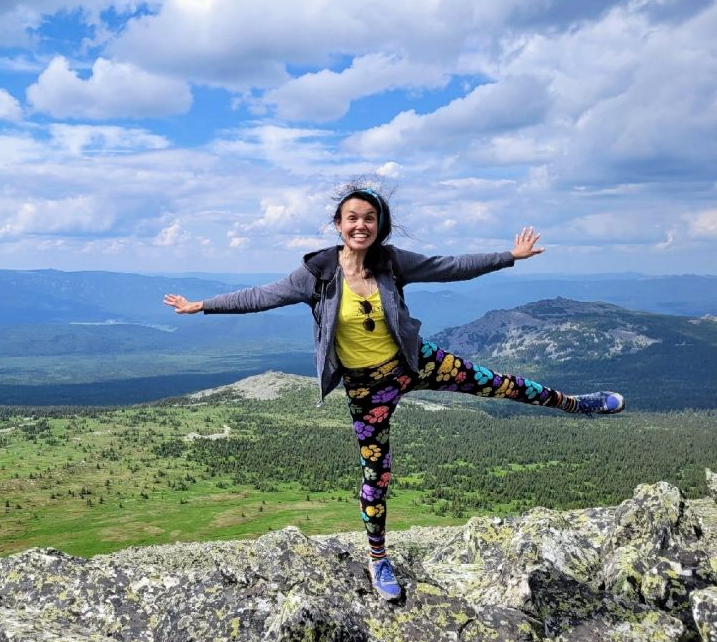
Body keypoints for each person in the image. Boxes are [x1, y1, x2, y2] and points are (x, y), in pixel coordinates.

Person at [163, 183, 624, 602]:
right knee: (376, 474)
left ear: (379, 225)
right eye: (352, 217)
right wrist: (203, 305)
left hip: (414, 361)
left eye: (369, 218)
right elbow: (262, 296)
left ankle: (576, 403)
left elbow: (448, 267)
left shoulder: (390, 262)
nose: (360, 225)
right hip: (367, 388)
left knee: (501, 383)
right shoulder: (317, 274)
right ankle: (378, 558)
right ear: (338, 224)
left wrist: (510, 256)